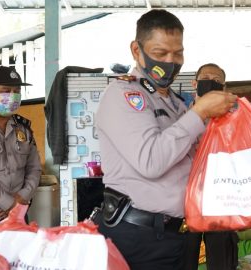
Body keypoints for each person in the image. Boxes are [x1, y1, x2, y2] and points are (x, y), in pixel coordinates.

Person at [94, 9, 237, 270]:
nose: (171, 62)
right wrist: (200, 112)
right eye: (160, 54)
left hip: (178, 235)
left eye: (178, 53)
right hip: (139, 238)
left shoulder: (174, 104)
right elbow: (151, 161)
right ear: (137, 50)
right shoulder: (123, 96)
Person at [183, 63, 238, 270]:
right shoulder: (180, 117)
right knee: (184, 260)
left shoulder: (232, 122)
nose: (211, 81)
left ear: (223, 88)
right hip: (185, 203)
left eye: (216, 80)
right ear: (194, 83)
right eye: (206, 77)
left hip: (221, 203)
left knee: (221, 262)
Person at [0, 66, 41, 222]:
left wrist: (21, 198)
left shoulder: (24, 129)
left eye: (16, 92)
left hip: (19, 212)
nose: (12, 96)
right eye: (6, 90)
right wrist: (7, 203)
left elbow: (34, 168)